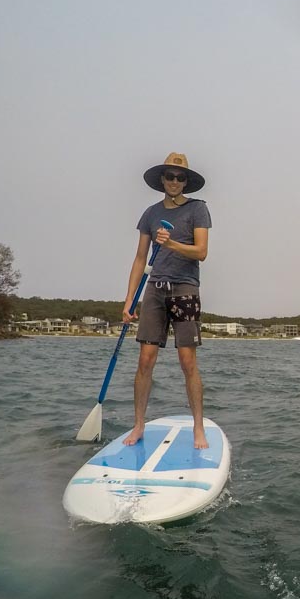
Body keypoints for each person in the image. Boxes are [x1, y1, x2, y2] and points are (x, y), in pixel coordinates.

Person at [123, 152, 212, 449]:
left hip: (185, 287)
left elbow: (201, 252)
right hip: (154, 289)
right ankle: (138, 425)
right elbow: (139, 259)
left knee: (188, 362)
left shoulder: (198, 210)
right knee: (145, 361)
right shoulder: (149, 213)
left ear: (186, 181)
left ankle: (198, 427)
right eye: (170, 176)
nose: (175, 181)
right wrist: (129, 300)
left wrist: (171, 242)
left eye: (180, 177)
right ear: (162, 179)